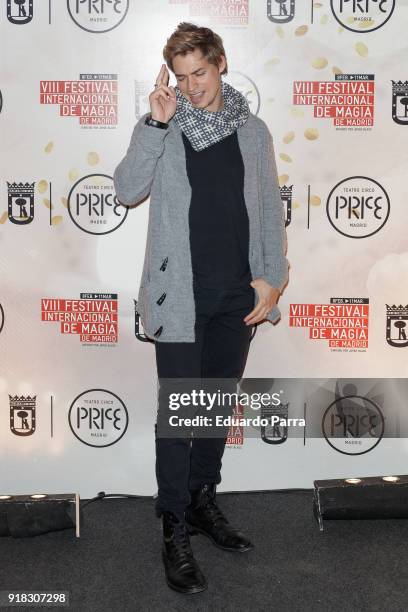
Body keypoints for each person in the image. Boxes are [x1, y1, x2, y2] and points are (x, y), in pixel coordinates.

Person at [113, 22, 289, 594]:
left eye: (200, 75)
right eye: (182, 78)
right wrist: (154, 122)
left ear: (220, 64)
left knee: (213, 409)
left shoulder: (253, 131)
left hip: (237, 295)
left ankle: (200, 502)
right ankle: (172, 526)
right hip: (180, 296)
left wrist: (272, 283)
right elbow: (125, 189)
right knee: (178, 418)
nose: (191, 88)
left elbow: (267, 212)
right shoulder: (163, 130)